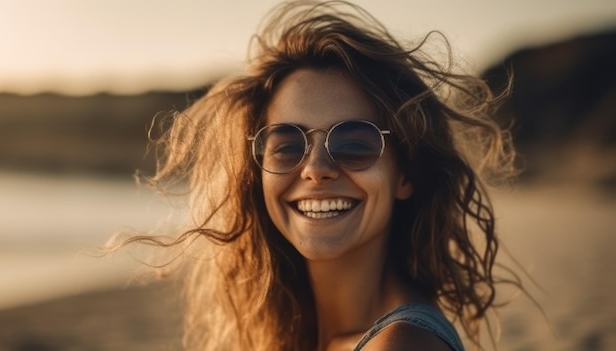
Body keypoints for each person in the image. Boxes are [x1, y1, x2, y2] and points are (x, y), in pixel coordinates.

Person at [118, 1, 523, 350]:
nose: (315, 169)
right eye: (287, 145)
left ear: (405, 175)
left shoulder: (402, 344)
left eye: (354, 143)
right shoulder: (299, 332)